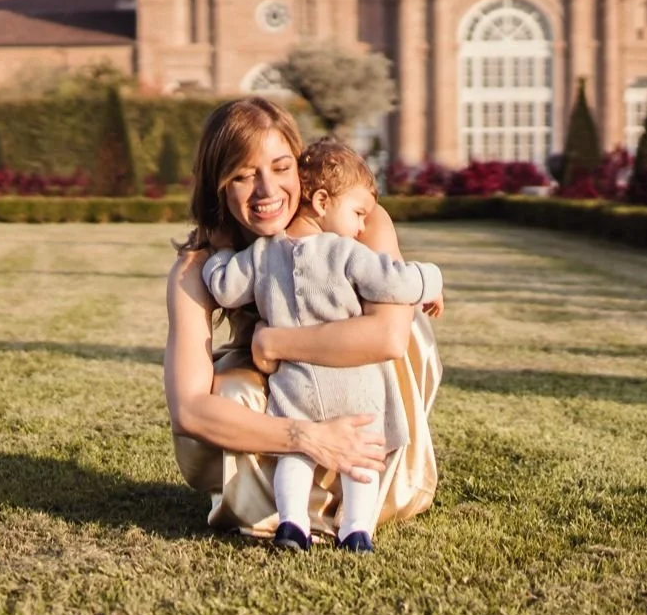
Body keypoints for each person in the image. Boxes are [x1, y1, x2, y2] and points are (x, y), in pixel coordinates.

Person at [164, 97, 442, 539]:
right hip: (286, 397)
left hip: (367, 376)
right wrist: (305, 437)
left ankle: (361, 497)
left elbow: (389, 337)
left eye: (280, 167)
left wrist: (272, 343)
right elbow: (190, 411)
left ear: (301, 166)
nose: (267, 191)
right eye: (242, 175)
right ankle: (281, 509)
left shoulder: (358, 219)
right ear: (218, 186)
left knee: (399, 341)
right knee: (232, 388)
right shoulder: (201, 269)